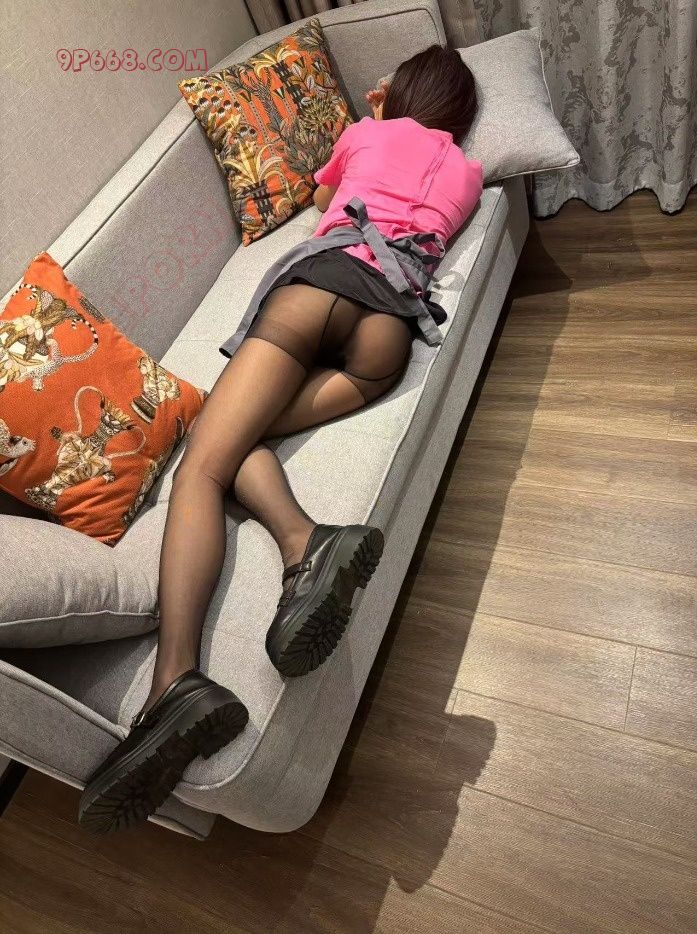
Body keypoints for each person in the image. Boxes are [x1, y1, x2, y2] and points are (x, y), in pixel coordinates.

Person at [78, 44, 483, 833]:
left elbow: (321, 194)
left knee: (203, 465)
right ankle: (307, 547)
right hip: (387, 339)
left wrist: (376, 112)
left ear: (397, 92)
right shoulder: (467, 172)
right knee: (233, 442)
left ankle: (175, 680)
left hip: (322, 291)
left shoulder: (369, 131)